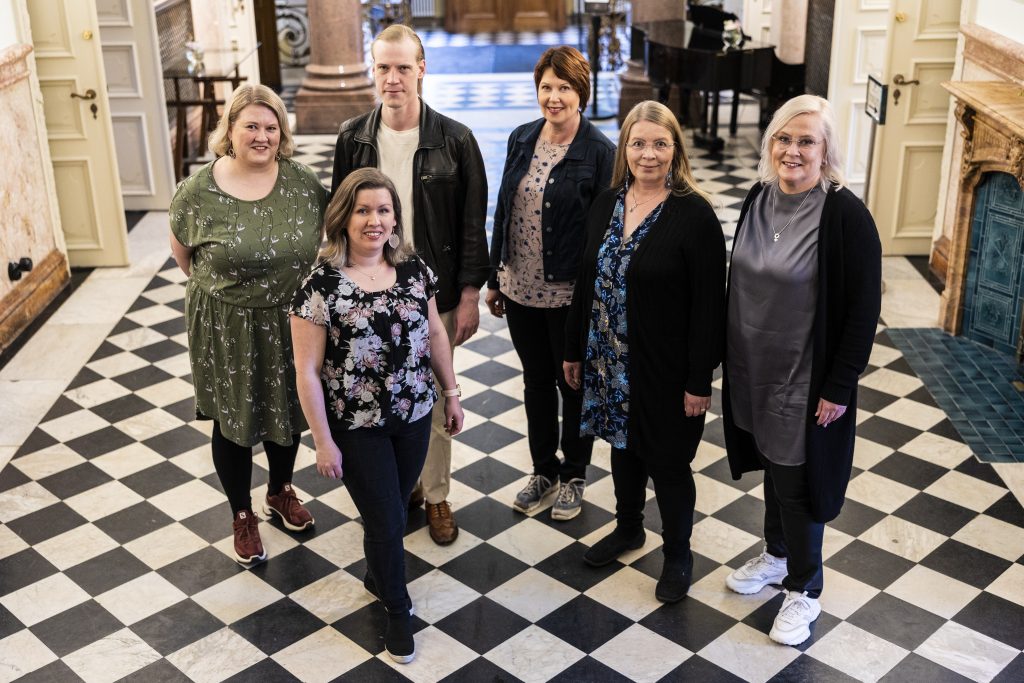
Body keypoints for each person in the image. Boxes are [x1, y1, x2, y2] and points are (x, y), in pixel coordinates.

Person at [721, 94, 882, 646]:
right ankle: (775, 554)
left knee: (797, 482)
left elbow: (863, 309)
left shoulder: (845, 215)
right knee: (773, 468)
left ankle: (805, 589)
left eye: (806, 141)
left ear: (826, 150)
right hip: (753, 367)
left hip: (804, 377)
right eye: (784, 139)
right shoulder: (757, 198)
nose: (793, 151)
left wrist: (840, 384)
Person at [291, 168, 464, 664]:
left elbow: (434, 335)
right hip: (355, 425)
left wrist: (450, 393)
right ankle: (397, 607)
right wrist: (323, 441)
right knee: (387, 517)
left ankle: (376, 573)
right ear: (343, 218)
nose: (374, 220)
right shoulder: (320, 285)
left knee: (387, 513)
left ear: (396, 217)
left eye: (383, 210)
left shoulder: (413, 270)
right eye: (363, 210)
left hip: (413, 415)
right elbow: (306, 371)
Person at [331, 24, 488, 546]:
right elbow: (337, 218)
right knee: (380, 396)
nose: (392, 79)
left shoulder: (456, 139)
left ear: (422, 69)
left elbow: (471, 223)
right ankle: (403, 489)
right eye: (383, 68)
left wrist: (468, 294)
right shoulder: (354, 137)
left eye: (403, 67)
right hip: (368, 288)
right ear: (372, 71)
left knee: (437, 396)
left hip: (431, 290)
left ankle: (437, 492)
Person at [564, 100, 726, 603]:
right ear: (625, 148)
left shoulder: (694, 215)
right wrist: (574, 349)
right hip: (609, 362)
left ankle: (678, 553)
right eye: (638, 143)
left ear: (675, 149)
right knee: (623, 449)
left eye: (660, 143)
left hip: (667, 368)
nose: (648, 154)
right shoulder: (608, 202)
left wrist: (699, 380)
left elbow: (709, 308)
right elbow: (586, 281)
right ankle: (629, 528)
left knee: (670, 463)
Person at [169, 84, 328, 564]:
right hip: (226, 324)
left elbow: (321, 244)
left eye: (271, 127)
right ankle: (242, 514)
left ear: (283, 133)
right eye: (251, 126)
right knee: (233, 420)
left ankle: (280, 491)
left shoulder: (304, 184)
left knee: (286, 412)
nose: (262, 136)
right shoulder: (198, 190)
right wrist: (235, 294)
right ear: (230, 131)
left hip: (291, 319)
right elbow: (184, 259)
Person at [485, 46, 615, 521]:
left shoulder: (599, 151)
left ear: (581, 92)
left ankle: (575, 474)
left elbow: (606, 233)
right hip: (519, 287)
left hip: (569, 295)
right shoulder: (522, 137)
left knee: (572, 383)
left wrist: (595, 298)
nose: (554, 97)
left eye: (564, 87)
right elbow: (504, 207)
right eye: (546, 87)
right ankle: (544, 468)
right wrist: (495, 276)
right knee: (536, 382)